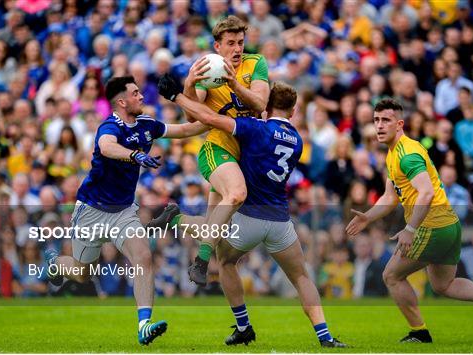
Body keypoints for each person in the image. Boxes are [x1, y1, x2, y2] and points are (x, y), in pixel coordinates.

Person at [154, 75, 346, 348]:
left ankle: (243, 325)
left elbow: (209, 119)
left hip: (249, 217)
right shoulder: (297, 141)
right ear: (293, 111)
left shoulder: (255, 128)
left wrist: (178, 97)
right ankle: (325, 335)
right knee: (301, 276)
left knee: (224, 254)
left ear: (265, 107)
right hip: (280, 220)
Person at [44, 76, 209, 345]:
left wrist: (224, 120)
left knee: (143, 257)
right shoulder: (109, 126)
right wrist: (134, 154)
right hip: (91, 211)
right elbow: (106, 147)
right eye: (135, 93)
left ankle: (144, 324)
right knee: (83, 273)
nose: (142, 96)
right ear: (122, 101)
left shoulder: (147, 125)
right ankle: (55, 265)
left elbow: (185, 129)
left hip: (123, 211)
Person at [345, 98, 473, 343]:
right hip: (449, 225)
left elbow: (425, 192)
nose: (380, 125)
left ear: (400, 124)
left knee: (391, 276)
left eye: (386, 120)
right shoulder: (396, 153)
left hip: (431, 226)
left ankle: (419, 332)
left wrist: (410, 228)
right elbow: (389, 196)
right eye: (376, 120)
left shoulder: (406, 155)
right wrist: (368, 217)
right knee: (443, 285)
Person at [151, 15, 270, 286]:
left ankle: (175, 218)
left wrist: (235, 84)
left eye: (240, 42)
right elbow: (194, 117)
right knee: (237, 194)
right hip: (216, 149)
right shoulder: (208, 70)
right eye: (230, 43)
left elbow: (261, 102)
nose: (237, 49)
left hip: (244, 157)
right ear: (217, 46)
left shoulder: (256, 63)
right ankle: (201, 262)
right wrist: (190, 85)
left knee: (213, 228)